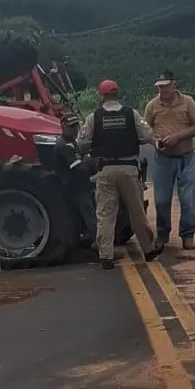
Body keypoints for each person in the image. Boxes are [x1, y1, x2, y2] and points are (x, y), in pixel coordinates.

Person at [76, 79, 159, 269]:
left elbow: (81, 143)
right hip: (129, 169)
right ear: (118, 93)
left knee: (105, 214)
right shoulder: (131, 114)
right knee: (137, 212)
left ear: (101, 95)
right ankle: (148, 249)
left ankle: (106, 256)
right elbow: (147, 135)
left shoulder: (94, 117)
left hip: (105, 170)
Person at [144, 70, 195, 251]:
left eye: (165, 86)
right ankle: (162, 234)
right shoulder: (152, 105)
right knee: (162, 199)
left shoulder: (187, 102)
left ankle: (187, 235)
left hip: (186, 156)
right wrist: (154, 141)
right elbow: (145, 129)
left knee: (187, 199)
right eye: (159, 87)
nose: (162, 91)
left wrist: (178, 136)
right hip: (163, 157)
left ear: (174, 85)